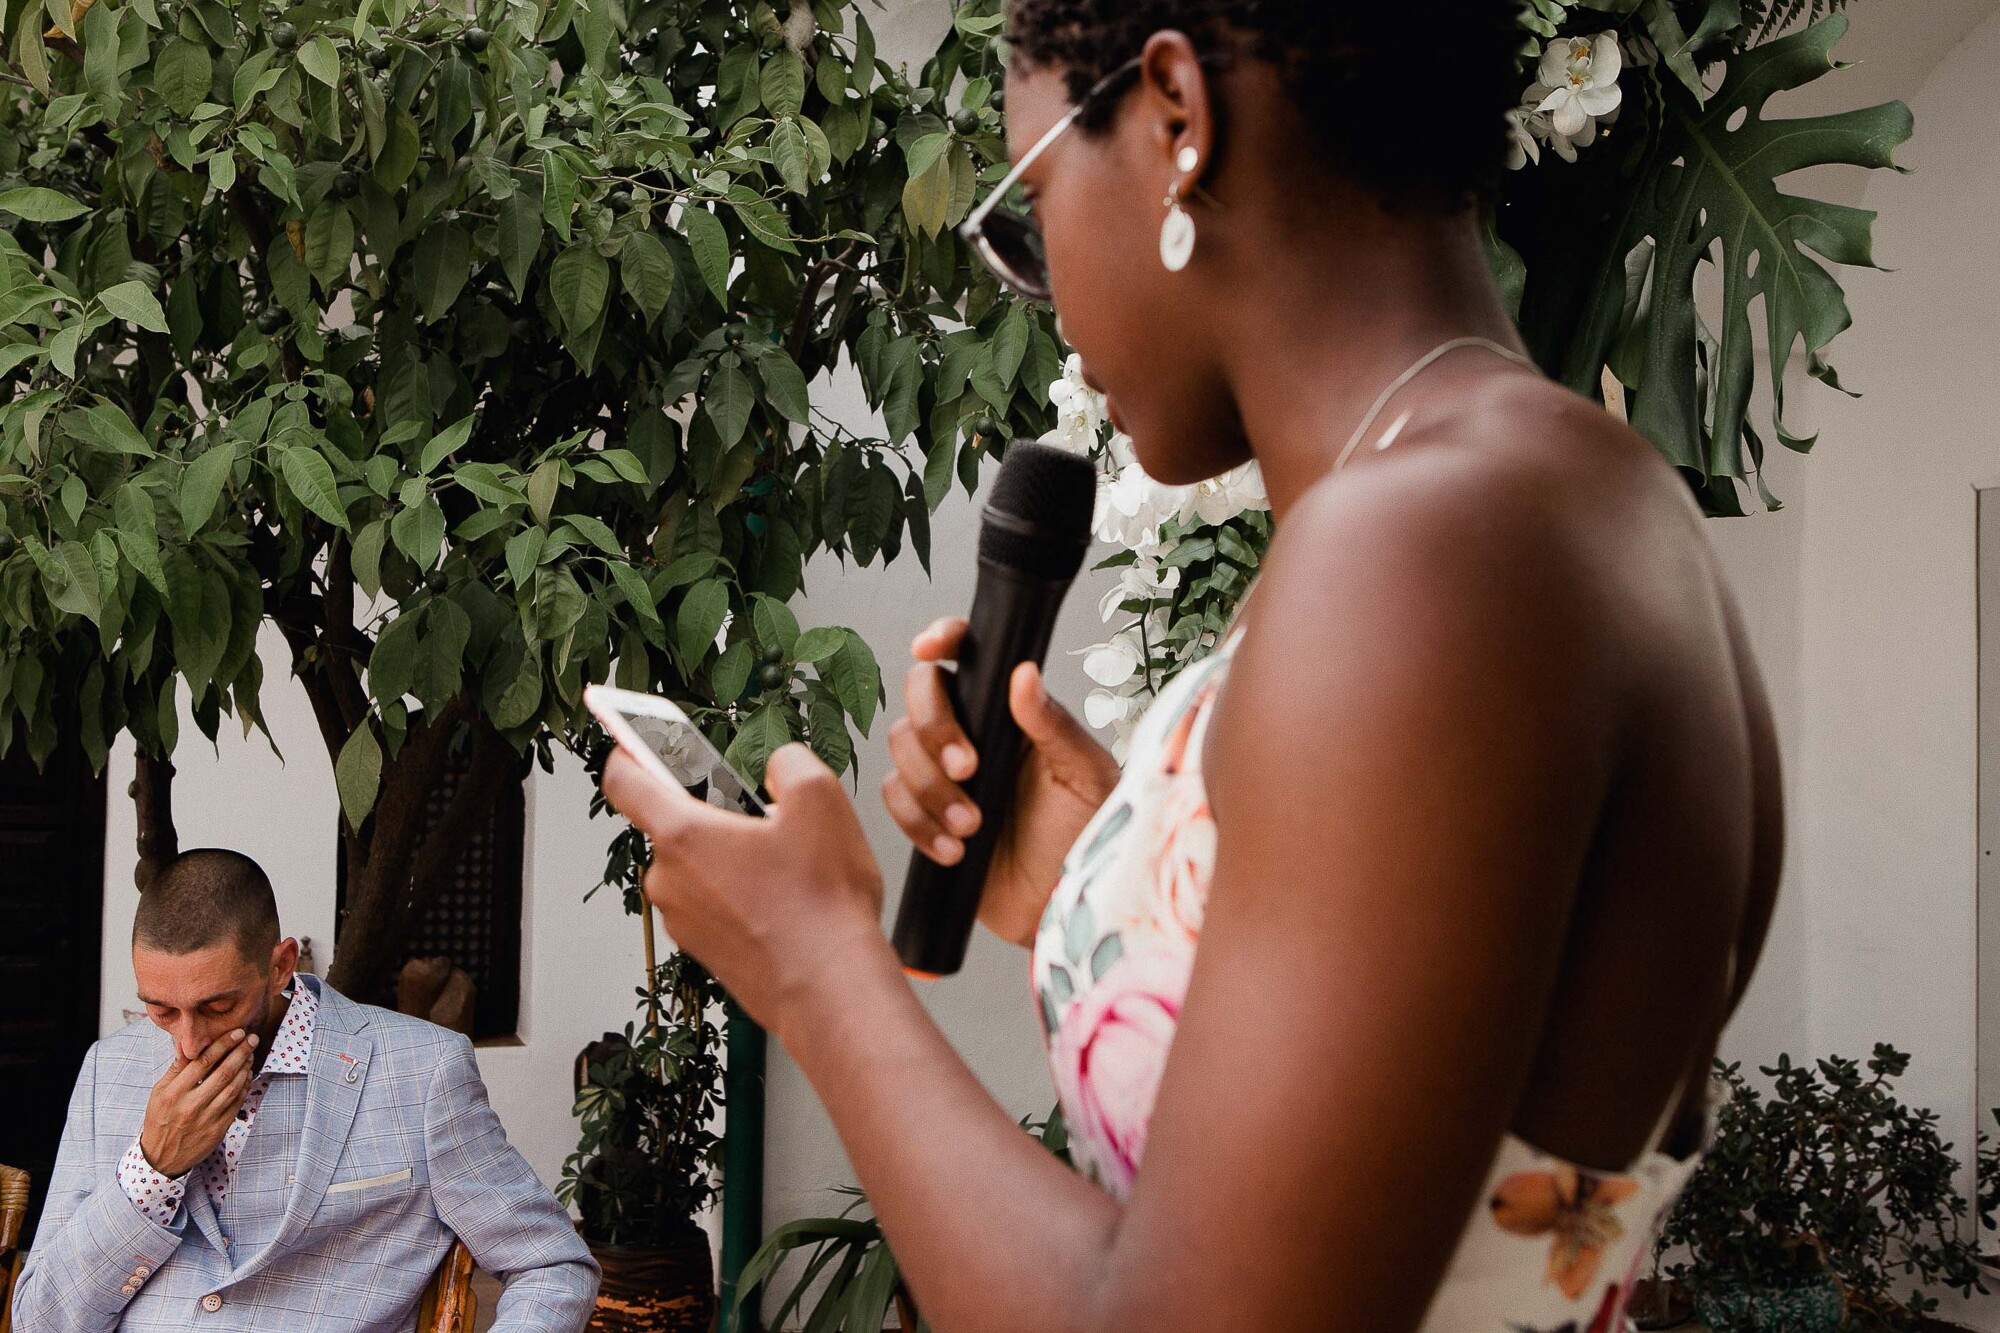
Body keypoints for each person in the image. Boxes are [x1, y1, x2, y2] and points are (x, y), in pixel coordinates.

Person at [601, 2, 1782, 1329]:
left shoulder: (1423, 546)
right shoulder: (1546, 501)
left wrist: (814, 967)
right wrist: (1106, 886)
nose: (1039, 294)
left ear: (1176, 116)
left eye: (1032, 197)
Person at [14, 849, 598, 1332]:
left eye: (217, 1006)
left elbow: (551, 1264)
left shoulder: (419, 1071)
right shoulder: (109, 1069)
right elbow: (42, 1319)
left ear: (280, 964)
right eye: (161, 1010)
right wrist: (151, 1169)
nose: (188, 1042)